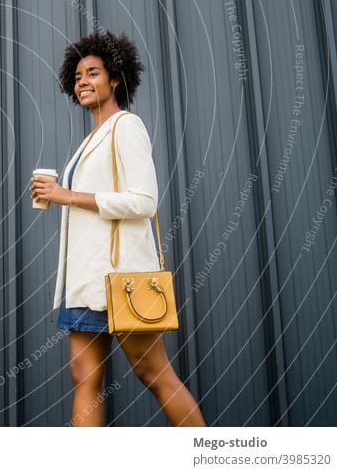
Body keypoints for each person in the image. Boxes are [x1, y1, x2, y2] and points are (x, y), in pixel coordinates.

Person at [30, 31, 205, 427]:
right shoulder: (92, 138)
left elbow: (144, 201)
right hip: (86, 282)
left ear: (115, 79)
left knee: (153, 373)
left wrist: (67, 195)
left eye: (93, 73)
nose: (83, 81)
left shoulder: (126, 126)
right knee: (82, 373)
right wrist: (59, 194)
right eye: (77, 76)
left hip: (119, 279)